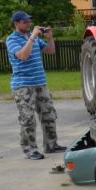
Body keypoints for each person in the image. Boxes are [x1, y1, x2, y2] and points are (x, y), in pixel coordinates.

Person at [6, 10, 66, 160]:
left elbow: (50, 51)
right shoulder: (12, 39)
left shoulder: (31, 38)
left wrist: (49, 38)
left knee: (49, 114)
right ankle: (30, 150)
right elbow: (23, 56)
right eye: (25, 22)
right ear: (16, 23)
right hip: (23, 85)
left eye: (29, 21)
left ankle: (51, 145)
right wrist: (32, 37)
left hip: (40, 82)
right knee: (28, 118)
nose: (28, 24)